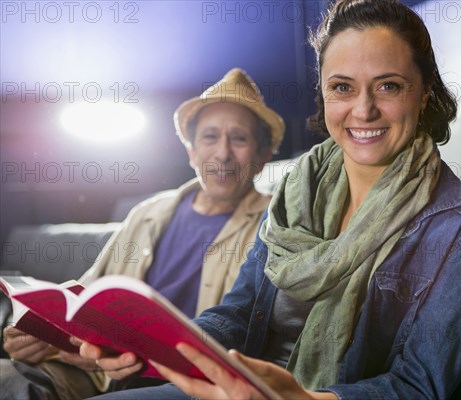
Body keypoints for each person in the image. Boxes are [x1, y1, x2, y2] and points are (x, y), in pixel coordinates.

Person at [82, 0, 461, 398]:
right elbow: (239, 313)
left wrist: (300, 398)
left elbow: (419, 387)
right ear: (323, 93)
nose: (362, 111)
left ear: (424, 91)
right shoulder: (292, 193)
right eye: (342, 87)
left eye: (388, 87)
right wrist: (153, 345)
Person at [0, 68, 285, 400]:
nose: (222, 153)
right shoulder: (148, 212)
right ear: (192, 151)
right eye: (209, 137)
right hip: (97, 373)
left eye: (238, 138)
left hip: (183, 383)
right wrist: (42, 337)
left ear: (262, 157)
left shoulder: (275, 223)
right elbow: (86, 296)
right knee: (8, 378)